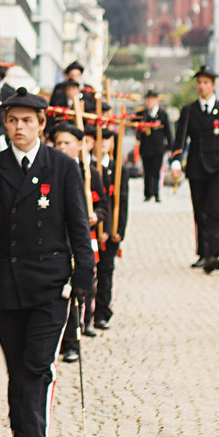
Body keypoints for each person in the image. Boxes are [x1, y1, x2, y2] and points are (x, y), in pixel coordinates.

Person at [0, 88, 94, 437]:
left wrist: (85, 272)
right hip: (8, 278)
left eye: (26, 121)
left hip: (51, 282)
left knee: (38, 365)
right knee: (17, 366)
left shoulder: (63, 167)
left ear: (41, 124)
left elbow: (79, 223)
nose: (18, 127)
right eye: (12, 121)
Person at [172, 67, 219, 273]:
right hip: (196, 167)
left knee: (213, 210)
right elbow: (180, 138)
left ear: (213, 85)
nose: (202, 86)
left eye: (206, 82)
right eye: (199, 82)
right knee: (199, 211)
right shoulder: (189, 110)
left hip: (217, 167)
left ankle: (215, 253)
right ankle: (203, 252)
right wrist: (176, 161)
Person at [48, 119, 95, 362]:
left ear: (80, 145)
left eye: (67, 143)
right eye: (58, 143)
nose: (62, 147)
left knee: (78, 290)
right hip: (59, 238)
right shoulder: (49, 171)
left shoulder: (90, 172)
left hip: (85, 236)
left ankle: (73, 341)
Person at [90, 128, 128, 331]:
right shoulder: (86, 167)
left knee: (106, 272)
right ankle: (86, 314)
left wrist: (118, 230)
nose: (103, 142)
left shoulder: (118, 168)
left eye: (107, 139)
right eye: (99, 138)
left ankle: (102, 313)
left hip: (110, 231)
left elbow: (122, 202)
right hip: (92, 229)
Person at [135, 91, 171, 203]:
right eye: (148, 99)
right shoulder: (143, 114)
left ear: (157, 100)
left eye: (152, 99)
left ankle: (156, 193)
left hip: (158, 148)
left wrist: (169, 146)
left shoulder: (162, 114)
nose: (149, 102)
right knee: (147, 170)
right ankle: (147, 193)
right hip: (146, 147)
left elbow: (168, 132)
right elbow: (134, 123)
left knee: (156, 170)